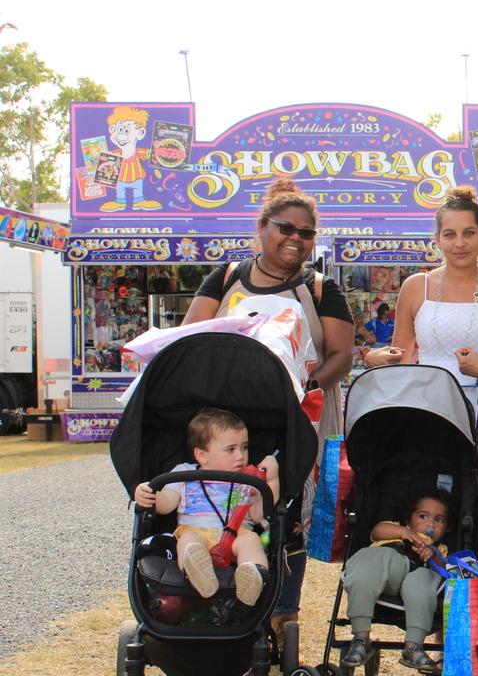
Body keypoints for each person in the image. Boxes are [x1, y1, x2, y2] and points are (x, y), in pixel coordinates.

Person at [183, 177, 354, 634]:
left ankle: (283, 613)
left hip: (294, 421)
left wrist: (302, 385)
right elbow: (189, 339)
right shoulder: (225, 279)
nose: (296, 239)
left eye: (306, 233)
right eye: (286, 228)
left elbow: (342, 354)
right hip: (226, 427)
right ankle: (224, 601)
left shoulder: (319, 289)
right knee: (220, 505)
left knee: (286, 516)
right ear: (262, 227)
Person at [363, 186, 478, 506]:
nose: (460, 243)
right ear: (437, 239)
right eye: (450, 234)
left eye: (468, 233)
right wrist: (375, 358)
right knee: (431, 512)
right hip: (429, 410)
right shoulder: (415, 287)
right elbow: (400, 359)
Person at [133, 408, 280, 606]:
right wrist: (147, 493)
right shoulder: (183, 473)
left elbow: (258, 513)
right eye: (231, 449)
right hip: (196, 532)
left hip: (237, 535)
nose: (241, 456)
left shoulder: (247, 480)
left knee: (251, 540)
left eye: (244, 447)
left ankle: (252, 576)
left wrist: (272, 479)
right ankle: (198, 573)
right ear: (202, 455)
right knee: (188, 541)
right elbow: (166, 503)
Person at [340, 490, 452, 674]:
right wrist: (403, 532)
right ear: (409, 519)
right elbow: (377, 531)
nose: (430, 523)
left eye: (439, 520)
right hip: (383, 567)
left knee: (425, 581)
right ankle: (360, 638)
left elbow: (445, 569)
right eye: (423, 516)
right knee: (370, 562)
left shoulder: (439, 548)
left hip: (415, 576)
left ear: (447, 528)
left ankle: (413, 646)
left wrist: (433, 555)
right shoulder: (395, 528)